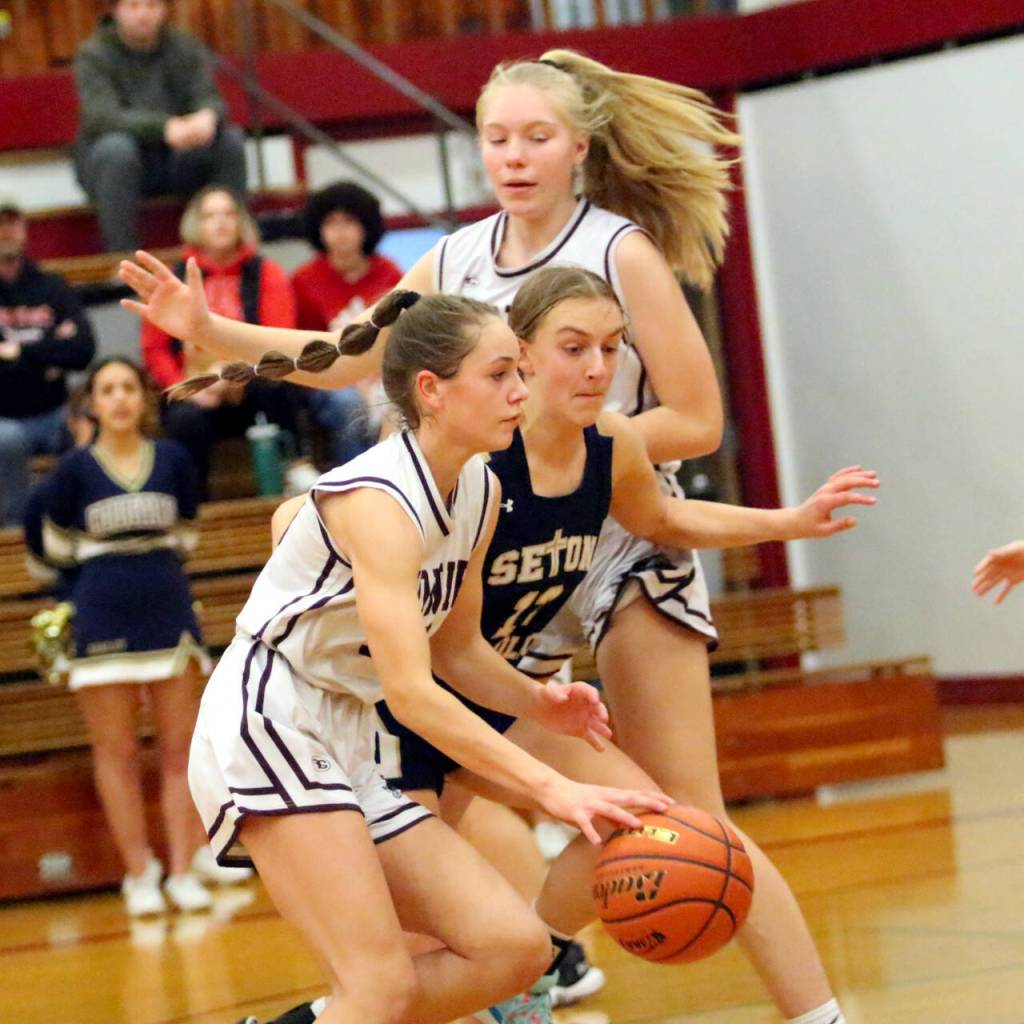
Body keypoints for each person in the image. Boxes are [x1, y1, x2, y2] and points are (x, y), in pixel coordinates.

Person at [117, 50, 850, 1024]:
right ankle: (524, 967)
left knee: (682, 810)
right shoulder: (456, 267)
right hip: (490, 557)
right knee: (441, 848)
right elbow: (348, 358)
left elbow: (699, 421)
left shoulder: (616, 250)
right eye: (495, 137)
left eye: (534, 137)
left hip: (617, 530)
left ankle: (801, 1008)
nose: (512, 156)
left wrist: (578, 445)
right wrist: (217, 330)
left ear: (578, 147)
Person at [242, 267, 877, 1024]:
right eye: (574, 348)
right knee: (407, 983)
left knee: (637, 820)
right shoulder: (471, 453)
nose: (598, 368)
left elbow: (665, 522)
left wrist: (789, 521)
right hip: (400, 713)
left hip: (498, 689)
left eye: (612, 348)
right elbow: (310, 521)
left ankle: (532, 977)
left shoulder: (610, 443)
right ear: (525, 355)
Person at [165, 288, 673, 1024]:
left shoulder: (476, 488)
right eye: (500, 375)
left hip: (345, 730)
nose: (520, 393)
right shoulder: (380, 501)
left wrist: (538, 702)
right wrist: (550, 788)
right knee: (379, 986)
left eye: (520, 374)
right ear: (432, 391)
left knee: (515, 951)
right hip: (269, 720)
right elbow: (411, 693)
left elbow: (456, 649)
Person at [30, 357, 251, 915]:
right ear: (92, 405)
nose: (121, 398)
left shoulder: (174, 459)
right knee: (117, 753)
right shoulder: (73, 470)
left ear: (144, 399)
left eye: (129, 387)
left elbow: (187, 535)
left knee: (181, 751)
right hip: (100, 614)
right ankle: (139, 872)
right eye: (108, 389)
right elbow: (52, 549)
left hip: (168, 608)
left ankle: (181, 868)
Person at [141, 186, 305, 498]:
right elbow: (155, 348)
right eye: (210, 215)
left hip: (252, 383)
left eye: (229, 214)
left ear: (241, 222)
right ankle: (195, 503)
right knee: (184, 419)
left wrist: (238, 377)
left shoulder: (265, 272)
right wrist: (187, 386)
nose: (221, 222)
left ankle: (293, 477)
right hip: (194, 390)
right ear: (195, 225)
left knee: (278, 390)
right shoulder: (173, 277)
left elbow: (280, 338)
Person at [73, 0, 247, 253]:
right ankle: (123, 259)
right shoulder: (93, 54)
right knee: (117, 150)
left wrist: (207, 116)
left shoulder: (184, 45)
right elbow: (101, 115)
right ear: (116, 10)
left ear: (164, 10)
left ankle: (233, 251)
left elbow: (209, 96)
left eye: (152, 5)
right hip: (114, 169)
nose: (144, 14)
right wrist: (164, 128)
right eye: (134, 6)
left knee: (229, 141)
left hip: (175, 160)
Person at [291, 182, 403, 468]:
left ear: (366, 225)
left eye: (349, 221)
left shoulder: (389, 273)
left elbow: (405, 337)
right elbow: (303, 350)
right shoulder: (303, 282)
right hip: (330, 380)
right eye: (331, 222)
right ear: (318, 228)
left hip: (386, 373)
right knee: (349, 406)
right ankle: (356, 488)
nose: (340, 232)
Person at [0, 198, 96, 526]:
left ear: (24, 229)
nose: (5, 231)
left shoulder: (52, 285)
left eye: (11, 222)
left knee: (90, 429)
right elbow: (65, 350)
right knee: (7, 441)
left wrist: (18, 353)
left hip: (55, 413)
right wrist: (51, 350)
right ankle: (17, 530)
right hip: (4, 420)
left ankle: (79, 524)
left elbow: (83, 350)